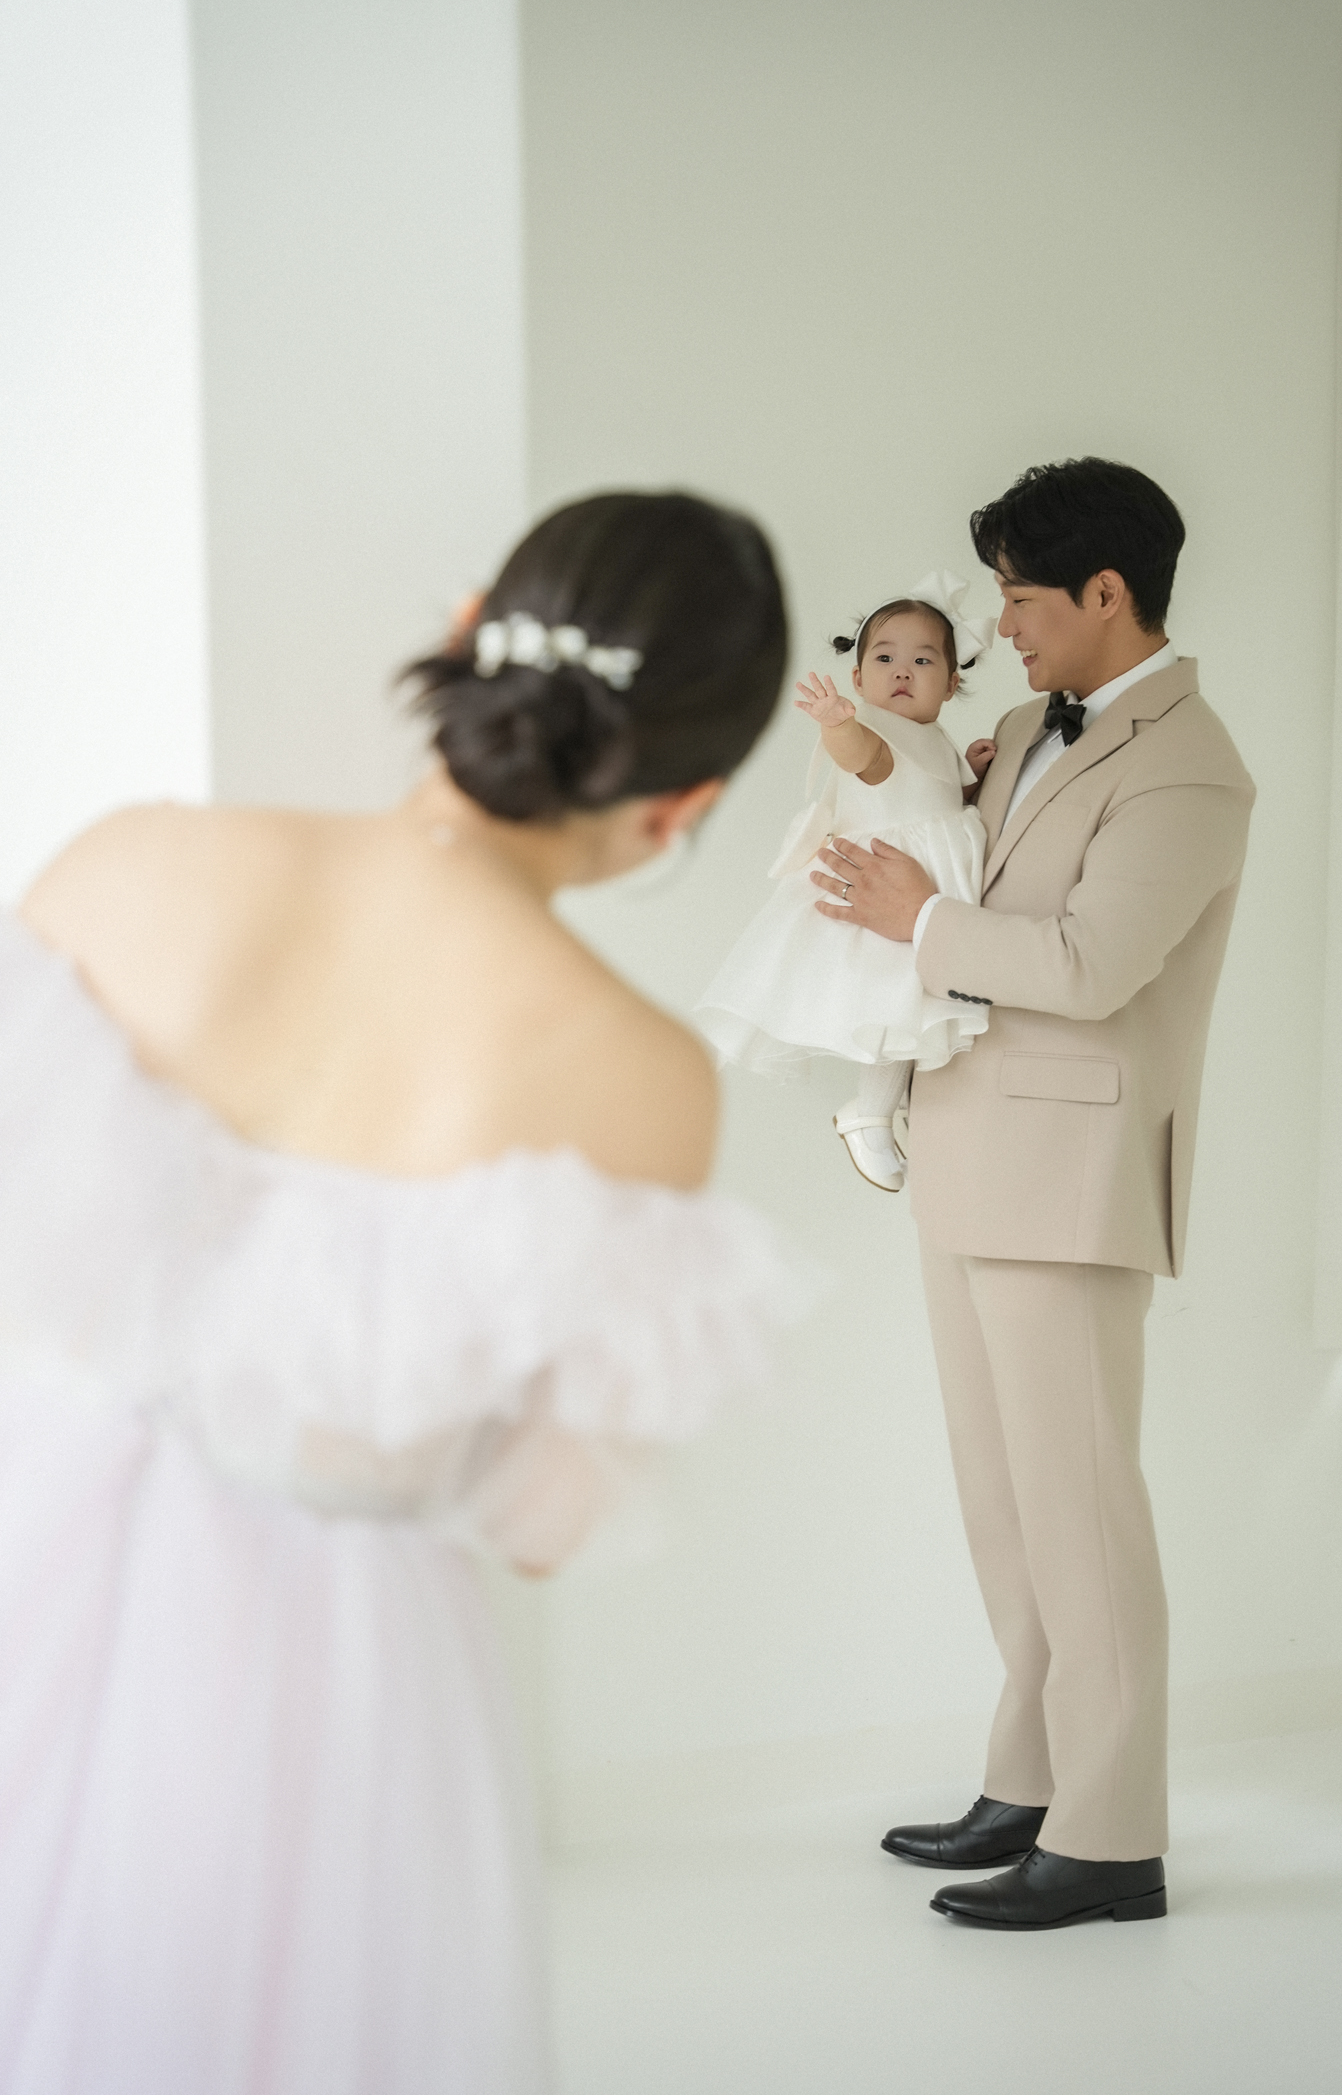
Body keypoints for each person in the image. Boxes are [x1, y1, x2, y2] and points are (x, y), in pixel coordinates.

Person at [0, 490, 795, 2089]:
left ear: (462, 633)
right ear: (681, 807)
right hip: (336, 1669)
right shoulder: (642, 1077)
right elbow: (543, 1520)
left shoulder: (128, 861)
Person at [809, 459, 1255, 1929]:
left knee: (1081, 1507)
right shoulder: (1013, 729)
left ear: (1105, 593)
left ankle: (1113, 1840)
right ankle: (1033, 1776)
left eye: (1017, 597)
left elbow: (1089, 965)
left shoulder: (1190, 767)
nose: (995, 626)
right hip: (966, 1147)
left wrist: (921, 920)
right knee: (1003, 1502)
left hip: (1071, 1174)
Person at [695, 572, 996, 1191]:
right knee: (897, 1007)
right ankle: (870, 1114)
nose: (902, 671)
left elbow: (931, 799)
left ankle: (894, 1107)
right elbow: (863, 760)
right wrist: (838, 724)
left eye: (923, 660)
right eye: (884, 659)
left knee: (915, 1008)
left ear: (952, 682)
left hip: (925, 892)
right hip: (885, 891)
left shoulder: (933, 737)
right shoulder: (874, 731)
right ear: (857, 679)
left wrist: (968, 779)